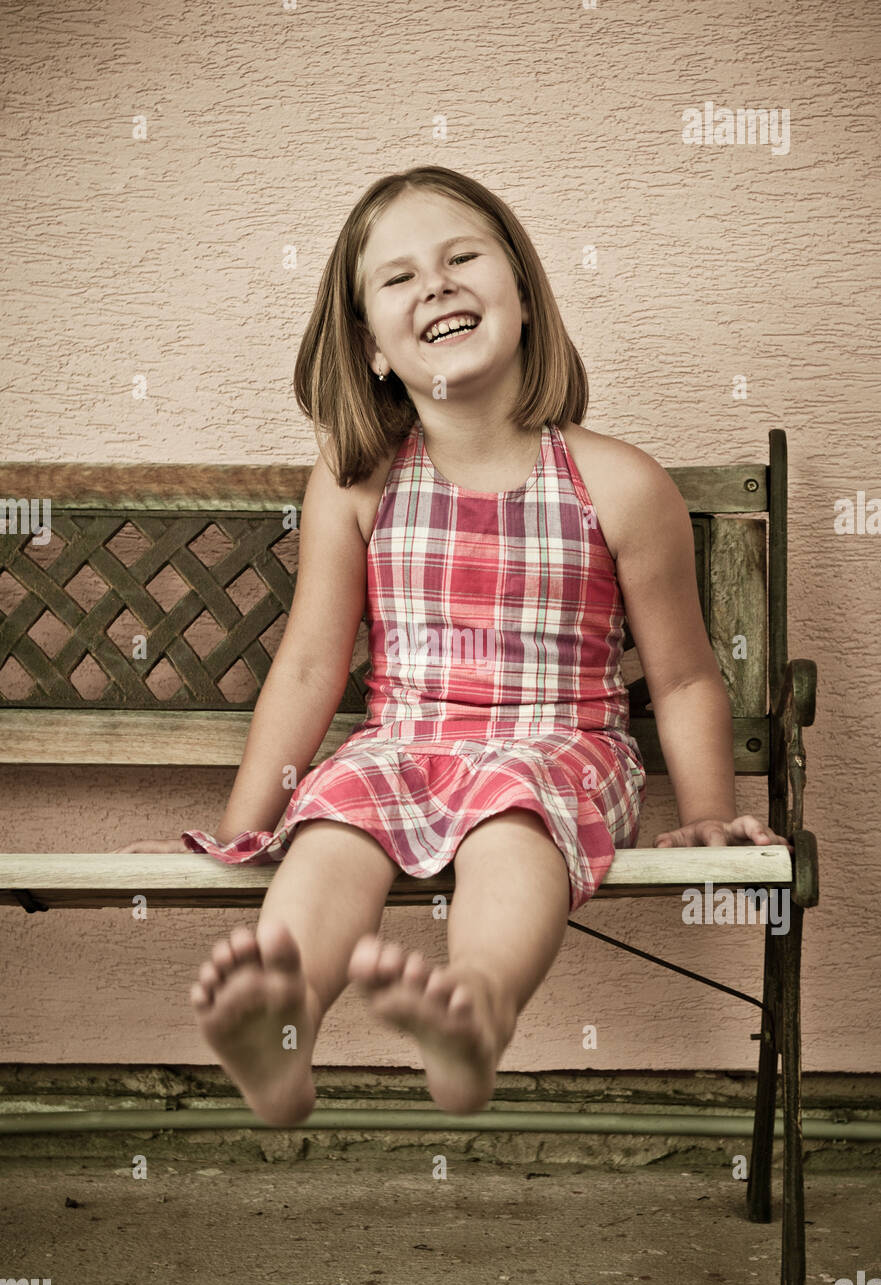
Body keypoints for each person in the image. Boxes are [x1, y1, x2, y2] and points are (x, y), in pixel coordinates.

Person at [118, 164, 788, 1125]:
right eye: (397, 278)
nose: (434, 284)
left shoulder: (617, 481)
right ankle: (283, 1023)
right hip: (406, 741)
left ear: (521, 291)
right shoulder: (357, 485)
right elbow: (309, 666)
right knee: (334, 820)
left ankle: (472, 1006)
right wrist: (245, 827)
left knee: (512, 821)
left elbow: (681, 677)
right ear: (372, 348)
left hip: (561, 745)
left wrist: (712, 813)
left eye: (461, 257)